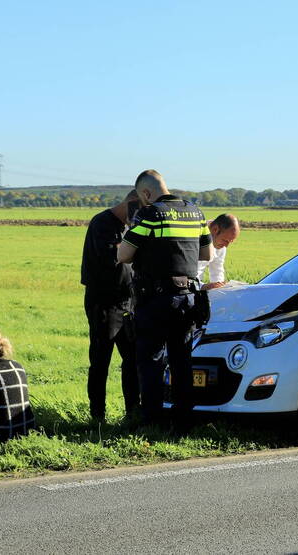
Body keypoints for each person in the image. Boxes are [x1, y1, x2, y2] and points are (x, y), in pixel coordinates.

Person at [117, 170, 212, 428]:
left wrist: (132, 236)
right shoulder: (195, 212)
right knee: (182, 361)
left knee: (151, 362)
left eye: (141, 197)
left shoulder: (149, 214)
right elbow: (207, 254)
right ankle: (183, 421)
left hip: (156, 299)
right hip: (188, 299)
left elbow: (124, 256)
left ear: (146, 193)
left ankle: (152, 421)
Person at [81, 190, 141, 423]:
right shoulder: (102, 223)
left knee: (133, 359)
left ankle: (132, 412)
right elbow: (115, 258)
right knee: (101, 361)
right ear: (130, 203)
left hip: (129, 301)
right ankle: (98, 416)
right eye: (138, 212)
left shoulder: (131, 226)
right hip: (103, 302)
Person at [196, 213, 241, 290]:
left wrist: (220, 287)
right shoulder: (194, 238)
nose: (226, 246)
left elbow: (217, 270)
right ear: (215, 229)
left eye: (230, 242)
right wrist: (202, 286)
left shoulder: (219, 241)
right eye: (225, 240)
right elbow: (185, 274)